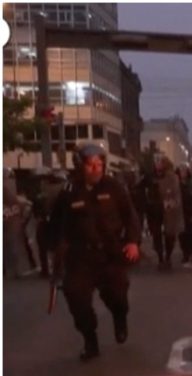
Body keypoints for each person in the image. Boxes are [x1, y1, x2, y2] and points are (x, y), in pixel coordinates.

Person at [50, 144, 141, 361]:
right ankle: (90, 340)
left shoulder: (114, 187)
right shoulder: (68, 193)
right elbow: (55, 226)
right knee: (76, 298)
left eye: (99, 164)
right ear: (80, 166)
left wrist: (132, 242)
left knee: (118, 296)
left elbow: (131, 217)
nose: (96, 169)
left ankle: (120, 318)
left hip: (110, 255)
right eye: (91, 165)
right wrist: (56, 250)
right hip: (81, 257)